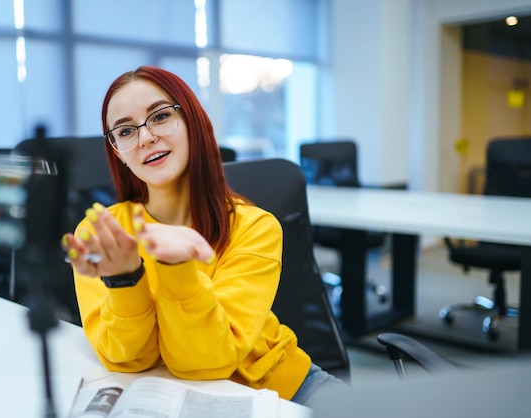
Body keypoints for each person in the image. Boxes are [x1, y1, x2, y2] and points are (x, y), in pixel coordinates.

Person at [61, 65, 342, 405]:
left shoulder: (256, 227)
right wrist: (125, 279)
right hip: (166, 395)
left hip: (280, 388)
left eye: (161, 116)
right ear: (117, 152)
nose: (146, 137)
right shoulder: (103, 233)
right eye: (125, 131)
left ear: (192, 121)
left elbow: (207, 362)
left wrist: (176, 266)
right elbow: (127, 359)